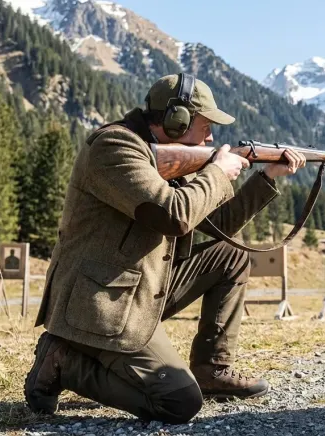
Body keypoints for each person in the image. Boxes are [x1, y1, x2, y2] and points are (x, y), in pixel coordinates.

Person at [23, 73, 306, 424]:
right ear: (177, 121)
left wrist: (266, 178)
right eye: (205, 125)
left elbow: (218, 224)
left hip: (140, 289)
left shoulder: (171, 159)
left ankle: (211, 370)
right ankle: (63, 362)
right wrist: (218, 172)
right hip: (98, 303)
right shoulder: (114, 147)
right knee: (178, 403)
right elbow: (174, 215)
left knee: (231, 255)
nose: (211, 136)